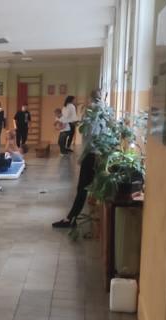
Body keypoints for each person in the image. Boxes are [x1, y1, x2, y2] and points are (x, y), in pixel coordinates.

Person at [53, 90, 105, 229]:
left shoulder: (92, 113)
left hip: (92, 155)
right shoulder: (102, 112)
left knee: (82, 188)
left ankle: (71, 219)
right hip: (98, 154)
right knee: (85, 188)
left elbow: (91, 139)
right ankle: (72, 217)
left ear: (91, 99)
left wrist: (83, 157)